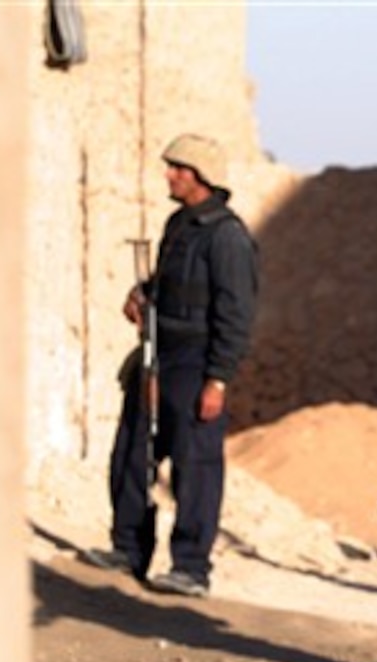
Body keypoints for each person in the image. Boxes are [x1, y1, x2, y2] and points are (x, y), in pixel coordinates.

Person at [86, 133, 259, 598]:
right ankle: (128, 548)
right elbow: (167, 286)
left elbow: (236, 315)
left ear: (201, 176)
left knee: (194, 463)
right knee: (133, 450)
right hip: (159, 354)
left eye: (178, 168)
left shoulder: (228, 237)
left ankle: (191, 567)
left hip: (199, 361)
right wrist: (142, 295)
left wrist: (217, 380)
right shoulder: (179, 225)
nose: (169, 175)